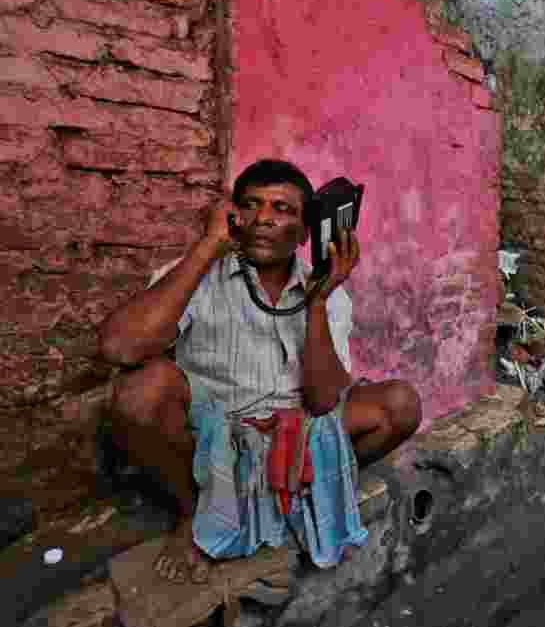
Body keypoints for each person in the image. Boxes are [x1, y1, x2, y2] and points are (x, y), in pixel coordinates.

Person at [97, 159, 422, 584]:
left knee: (400, 404)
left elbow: (323, 400)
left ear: (306, 232)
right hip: (212, 440)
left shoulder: (327, 294)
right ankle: (194, 512)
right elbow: (118, 348)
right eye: (251, 205)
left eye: (283, 209)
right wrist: (208, 245)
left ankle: (283, 495)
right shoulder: (194, 274)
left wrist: (318, 303)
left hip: (290, 433)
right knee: (138, 392)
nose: (264, 218)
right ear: (232, 216)